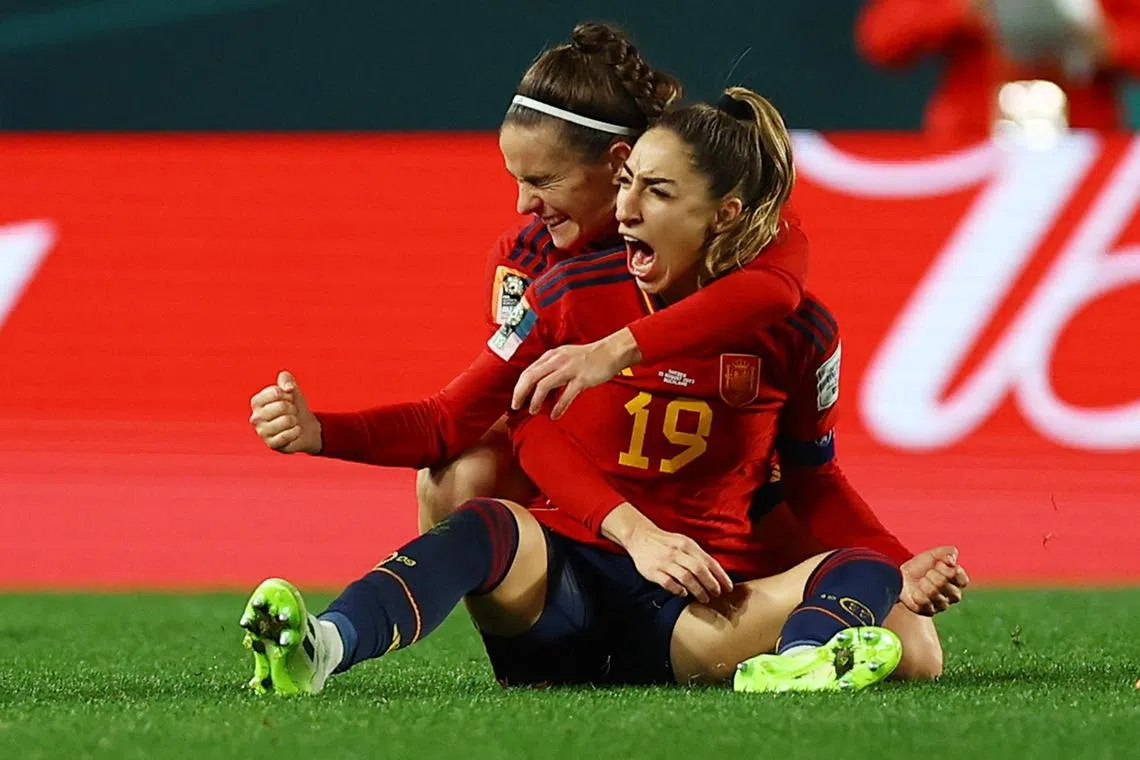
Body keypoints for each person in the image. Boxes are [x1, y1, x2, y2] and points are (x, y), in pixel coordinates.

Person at [249, 23, 963, 680]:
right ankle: (329, 644)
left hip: (717, 553)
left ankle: (796, 664)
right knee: (462, 485)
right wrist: (322, 432)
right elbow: (481, 416)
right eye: (631, 190)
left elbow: (783, 327)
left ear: (722, 213)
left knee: (909, 637)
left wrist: (902, 566)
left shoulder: (774, 285)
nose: (524, 205)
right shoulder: (551, 277)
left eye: (542, 180)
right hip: (591, 533)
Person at [856, 0, 1140, 143]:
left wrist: (1105, 42)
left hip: (1082, 143)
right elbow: (881, 37)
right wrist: (961, 9)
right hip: (971, 143)